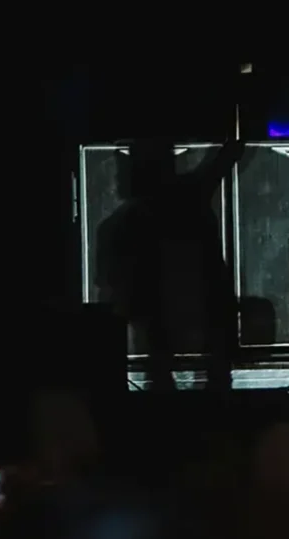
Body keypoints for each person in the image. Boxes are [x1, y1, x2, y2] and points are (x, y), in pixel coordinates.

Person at [96, 137, 244, 392]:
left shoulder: (118, 225)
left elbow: (110, 291)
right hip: (204, 319)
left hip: (163, 330)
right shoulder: (190, 194)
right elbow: (228, 156)